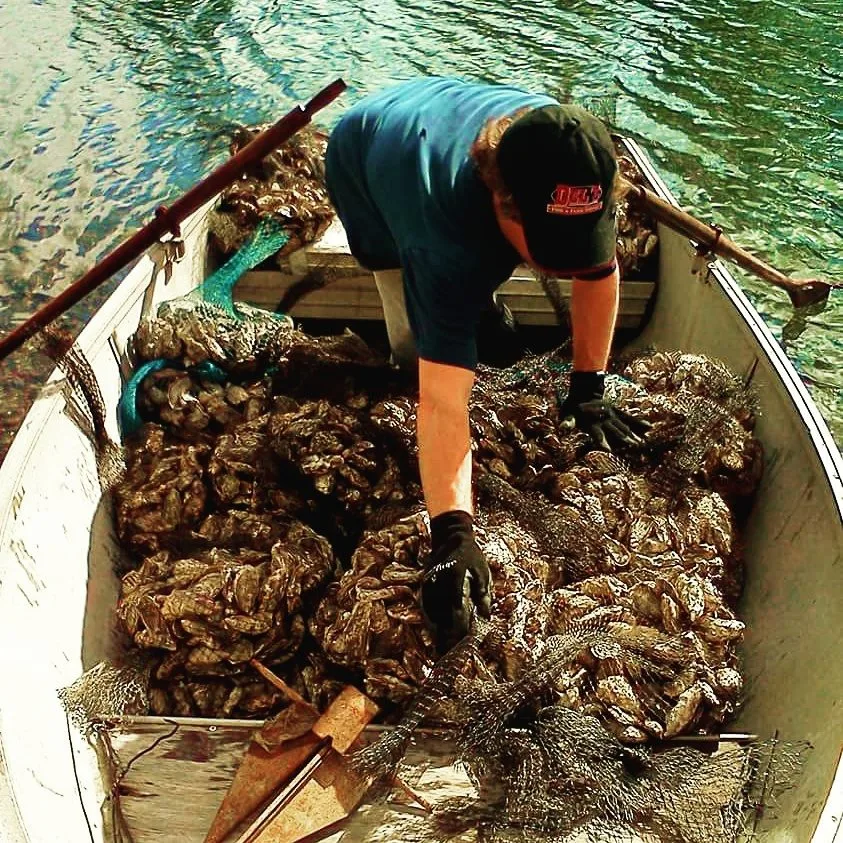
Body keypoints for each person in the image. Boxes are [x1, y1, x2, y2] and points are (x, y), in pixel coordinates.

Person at [325, 77, 642, 652]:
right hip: (366, 153)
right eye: (551, 243)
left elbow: (600, 271)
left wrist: (588, 383)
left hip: (452, 114)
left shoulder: (570, 158)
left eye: (580, 236)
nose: (567, 261)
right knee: (413, 327)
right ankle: (440, 329)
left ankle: (478, 309)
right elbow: (443, 404)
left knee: (485, 286)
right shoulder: (440, 238)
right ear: (502, 200)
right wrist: (453, 533)